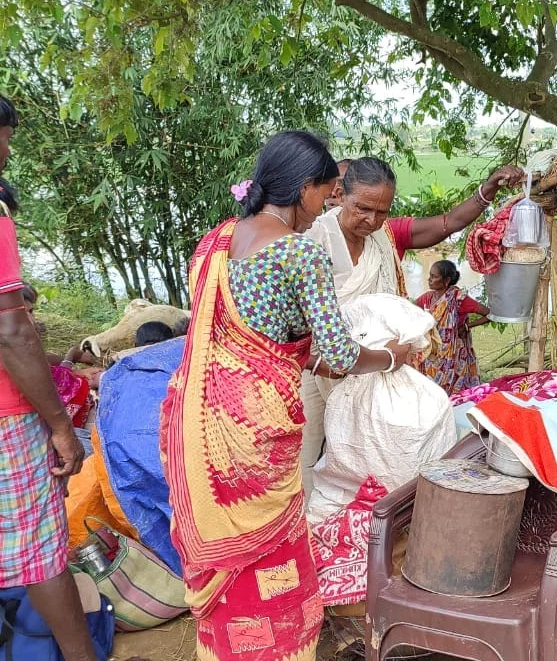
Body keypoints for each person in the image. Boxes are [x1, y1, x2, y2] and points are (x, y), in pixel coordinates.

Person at [159, 131, 414, 661]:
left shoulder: (215, 243)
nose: (326, 207)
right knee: (273, 553)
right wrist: (389, 356)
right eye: (326, 194)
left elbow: (256, 334)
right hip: (253, 435)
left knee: (227, 564)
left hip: (200, 425)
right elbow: (341, 356)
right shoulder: (300, 254)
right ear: (304, 189)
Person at [298, 156, 522, 496]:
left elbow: (448, 222)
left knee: (367, 458)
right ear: (340, 194)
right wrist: (318, 361)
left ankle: (365, 529)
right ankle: (303, 534)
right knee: (306, 455)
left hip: (374, 371)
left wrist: (486, 191)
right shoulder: (314, 239)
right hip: (318, 368)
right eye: (361, 208)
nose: (371, 220)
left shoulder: (384, 237)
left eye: (382, 211)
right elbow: (296, 321)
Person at [0, 95, 97, 661]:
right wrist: (61, 426)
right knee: (39, 554)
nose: (8, 150)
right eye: (7, 137)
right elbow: (11, 331)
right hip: (8, 415)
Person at [416, 259, 490, 395]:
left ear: (446, 280)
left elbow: (489, 314)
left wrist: (467, 326)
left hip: (454, 354)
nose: (429, 280)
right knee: (430, 388)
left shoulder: (458, 299)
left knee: (453, 389)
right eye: (430, 275)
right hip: (432, 352)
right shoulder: (427, 298)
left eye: (434, 276)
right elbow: (409, 311)